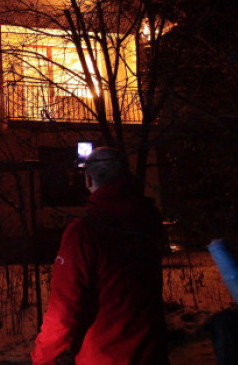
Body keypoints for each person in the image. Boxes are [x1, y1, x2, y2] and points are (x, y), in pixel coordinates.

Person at [31, 147, 169, 365]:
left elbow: (64, 309)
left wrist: (43, 358)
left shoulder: (84, 234)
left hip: (104, 358)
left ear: (87, 179)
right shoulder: (149, 221)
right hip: (152, 356)